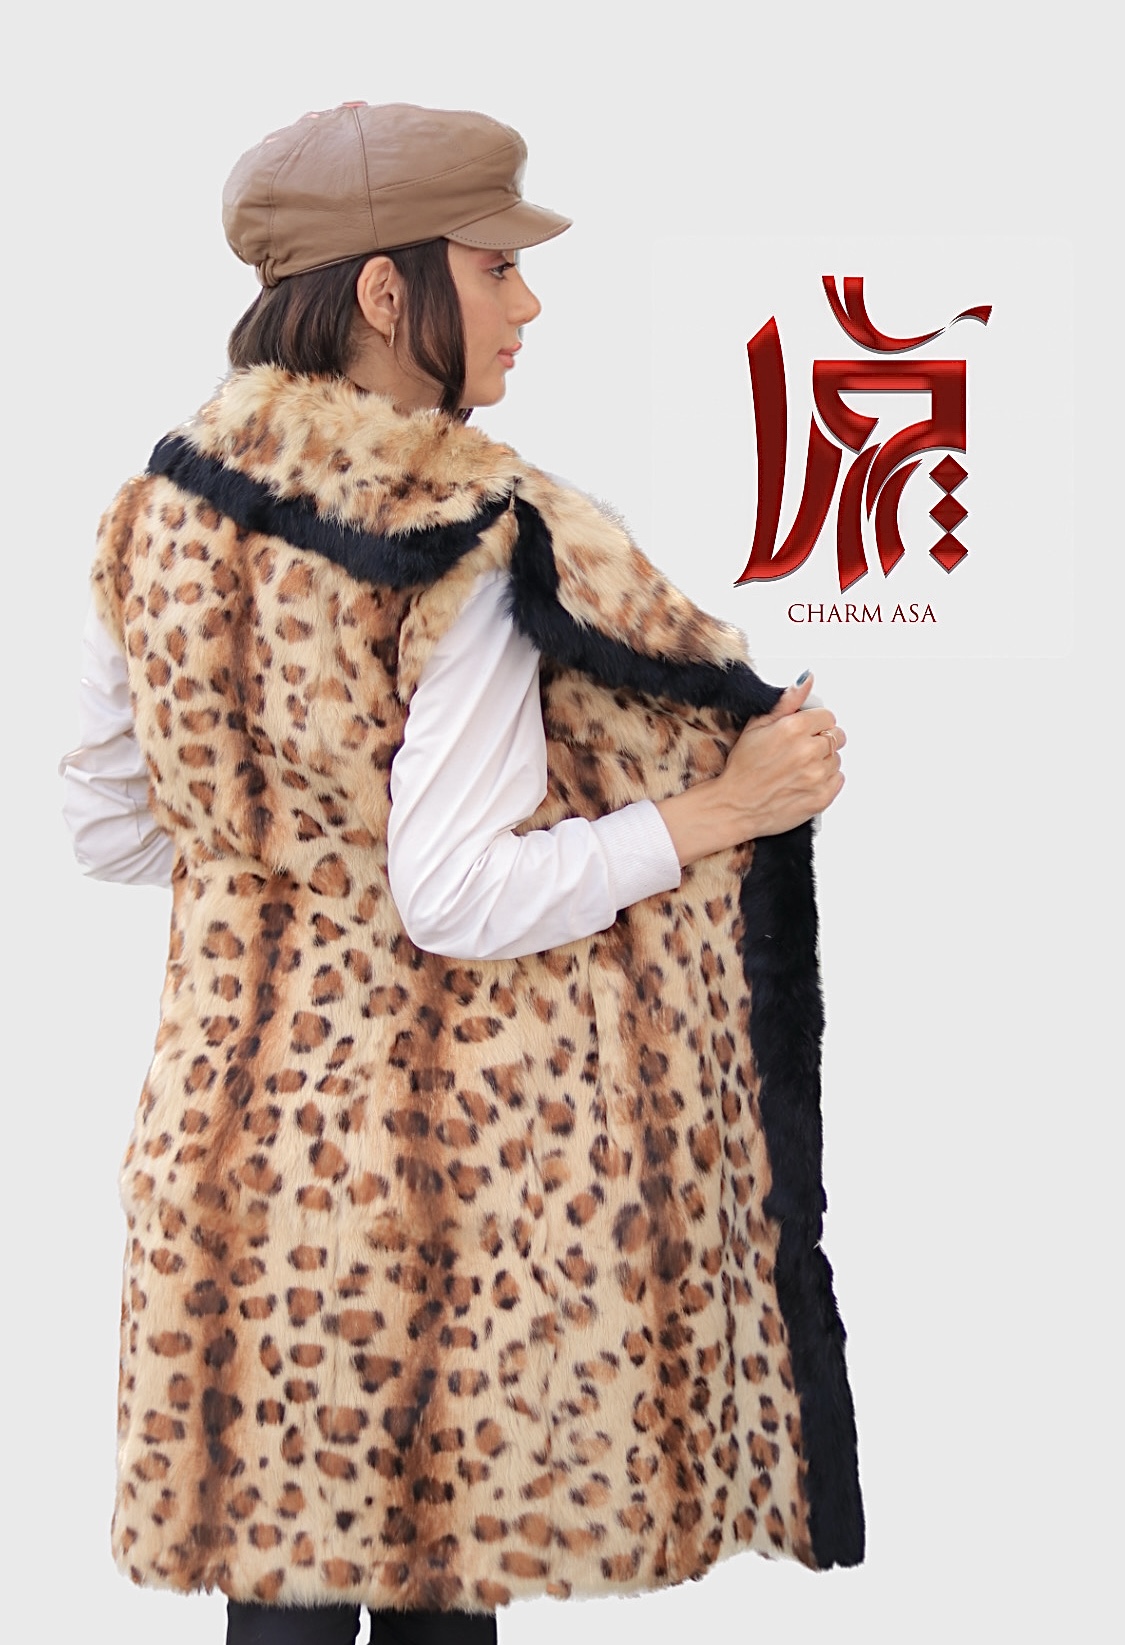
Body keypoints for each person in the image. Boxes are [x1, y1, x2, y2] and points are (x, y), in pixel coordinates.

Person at [62, 102, 863, 1645]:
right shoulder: (461, 537)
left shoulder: (157, 512)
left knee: (279, 1590)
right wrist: (718, 809)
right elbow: (456, 896)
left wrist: (288, 842)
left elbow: (106, 823)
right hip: (423, 1182)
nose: (527, 301)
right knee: (439, 1592)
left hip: (220, 1164)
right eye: (494, 267)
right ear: (386, 291)